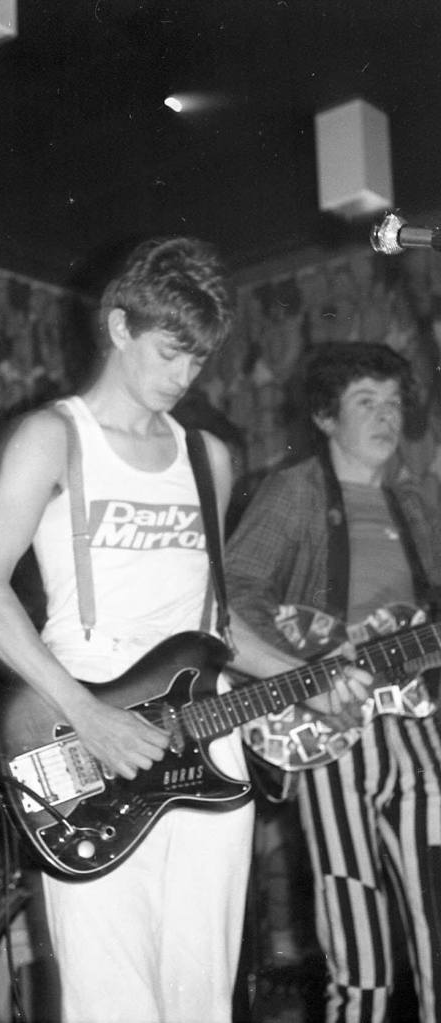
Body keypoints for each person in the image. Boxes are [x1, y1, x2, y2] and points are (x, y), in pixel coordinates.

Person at [0, 235, 353, 1023]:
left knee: (202, 994)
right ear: (119, 326)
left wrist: (303, 680)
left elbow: (215, 620)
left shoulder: (208, 457)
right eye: (170, 352)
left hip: (209, 740)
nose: (184, 376)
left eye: (198, 360)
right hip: (80, 730)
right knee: (110, 998)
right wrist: (88, 714)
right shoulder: (53, 436)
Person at [224, 340, 441, 1023]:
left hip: (420, 727)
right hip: (331, 731)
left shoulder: (415, 501)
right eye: (365, 402)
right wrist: (310, 666)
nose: (386, 416)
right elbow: (233, 593)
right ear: (324, 417)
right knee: (359, 944)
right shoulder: (295, 490)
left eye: (394, 403)